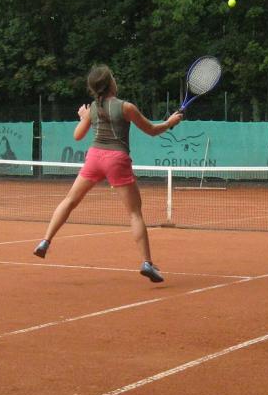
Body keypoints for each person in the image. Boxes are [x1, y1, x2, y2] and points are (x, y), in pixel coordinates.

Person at [33, 64, 184, 283]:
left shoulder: (93, 108)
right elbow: (151, 130)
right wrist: (170, 122)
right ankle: (146, 263)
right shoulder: (126, 107)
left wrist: (84, 117)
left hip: (94, 158)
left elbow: (77, 136)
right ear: (110, 83)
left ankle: (45, 241)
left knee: (69, 200)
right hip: (116, 160)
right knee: (135, 213)